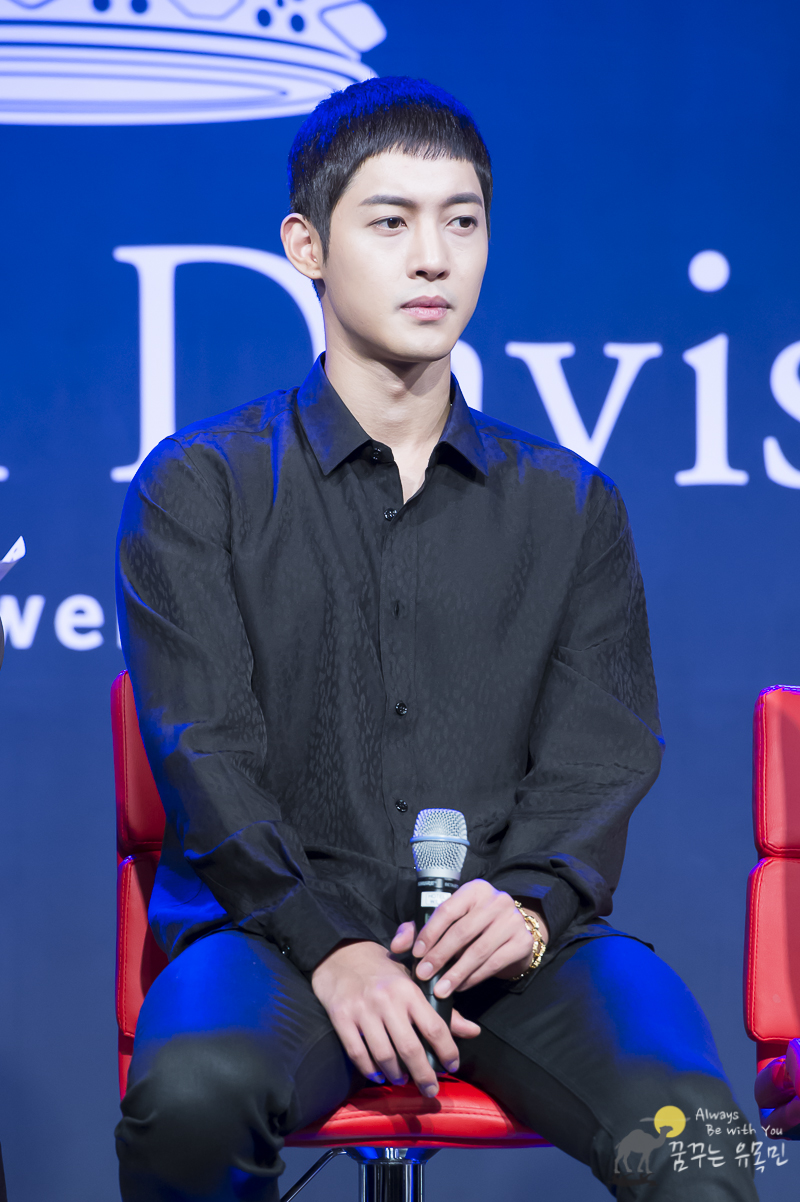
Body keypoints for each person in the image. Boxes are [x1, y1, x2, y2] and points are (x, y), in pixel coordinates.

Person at [115, 77, 757, 1201]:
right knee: (194, 1096)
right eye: (390, 221)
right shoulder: (199, 486)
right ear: (307, 247)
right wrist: (334, 947)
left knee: (703, 1133)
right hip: (274, 939)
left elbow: (601, 754)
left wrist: (529, 905)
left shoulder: (569, 504)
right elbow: (202, 752)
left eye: (461, 221)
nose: (432, 258)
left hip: (511, 945)